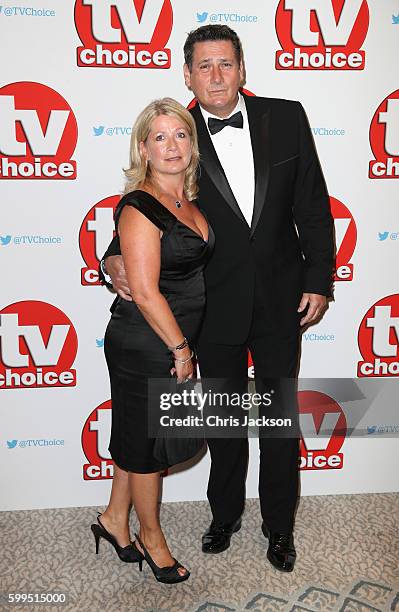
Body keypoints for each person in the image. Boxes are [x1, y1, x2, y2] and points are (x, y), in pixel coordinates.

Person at [101, 25, 334, 573]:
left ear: (242, 69)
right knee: (226, 423)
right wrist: (112, 256)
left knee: (278, 423)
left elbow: (314, 205)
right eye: (203, 66)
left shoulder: (288, 118)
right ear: (188, 75)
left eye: (225, 64)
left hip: (281, 302)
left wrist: (319, 278)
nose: (216, 76)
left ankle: (280, 527)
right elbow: (149, 200)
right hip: (212, 306)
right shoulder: (177, 132)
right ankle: (224, 514)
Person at [92, 97, 214, 584]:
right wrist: (181, 350)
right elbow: (142, 289)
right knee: (147, 450)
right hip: (149, 342)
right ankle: (152, 539)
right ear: (143, 147)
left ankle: (113, 520)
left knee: (135, 437)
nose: (172, 146)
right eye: (159, 137)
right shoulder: (140, 204)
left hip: (168, 338)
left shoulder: (188, 199)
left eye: (180, 134)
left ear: (192, 143)